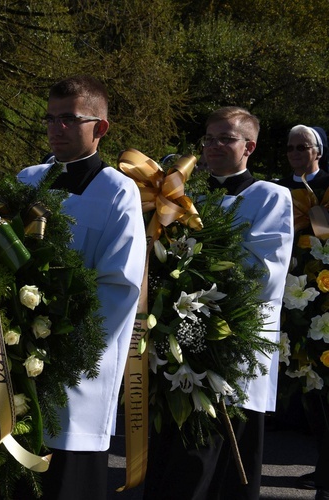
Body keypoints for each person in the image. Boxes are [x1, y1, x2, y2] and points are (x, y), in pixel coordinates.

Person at [0, 75, 145, 500]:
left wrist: (58, 347)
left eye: (69, 119)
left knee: (60, 476)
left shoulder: (119, 191)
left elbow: (118, 286)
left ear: (100, 128)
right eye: (50, 118)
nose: (56, 128)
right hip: (10, 355)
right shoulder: (29, 179)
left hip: (71, 366)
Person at [144, 107, 293, 500]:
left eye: (225, 139)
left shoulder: (269, 196)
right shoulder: (181, 196)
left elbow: (263, 273)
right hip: (178, 337)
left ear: (250, 147)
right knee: (171, 455)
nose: (213, 147)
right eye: (208, 139)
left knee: (217, 462)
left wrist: (191, 269)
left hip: (233, 345)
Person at [275, 124, 329, 190]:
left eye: (301, 148)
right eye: (290, 148)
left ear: (318, 153)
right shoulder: (279, 187)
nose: (294, 153)